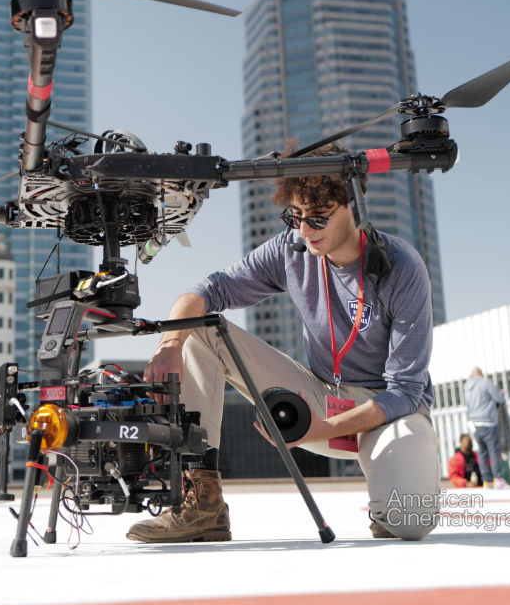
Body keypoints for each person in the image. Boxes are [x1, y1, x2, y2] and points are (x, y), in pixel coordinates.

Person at [126, 145, 442, 543]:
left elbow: (406, 392)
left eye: (318, 216)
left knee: (408, 523)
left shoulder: (401, 266)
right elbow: (209, 289)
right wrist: (170, 344)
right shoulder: (291, 249)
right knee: (200, 327)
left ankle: (394, 484)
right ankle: (202, 504)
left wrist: (324, 428)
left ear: (355, 207)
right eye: (296, 216)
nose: (305, 229)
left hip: (387, 412)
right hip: (321, 395)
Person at [463, 367, 508, 488]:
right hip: (488, 422)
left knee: (482, 453)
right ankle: (498, 479)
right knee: (494, 451)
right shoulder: (485, 383)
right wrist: (502, 392)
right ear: (481, 374)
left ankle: (487, 481)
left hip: (475, 425)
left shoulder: (466, 387)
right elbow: (498, 398)